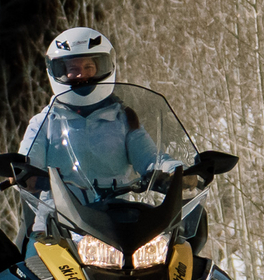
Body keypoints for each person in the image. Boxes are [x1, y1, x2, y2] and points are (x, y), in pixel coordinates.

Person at [16, 28, 163, 249]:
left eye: (88, 67)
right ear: (57, 71)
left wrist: (176, 171)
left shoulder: (123, 119)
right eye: (72, 68)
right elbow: (27, 160)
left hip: (117, 228)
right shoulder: (44, 122)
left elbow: (150, 157)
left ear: (104, 67)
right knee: (31, 277)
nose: (81, 75)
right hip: (56, 228)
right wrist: (23, 173)